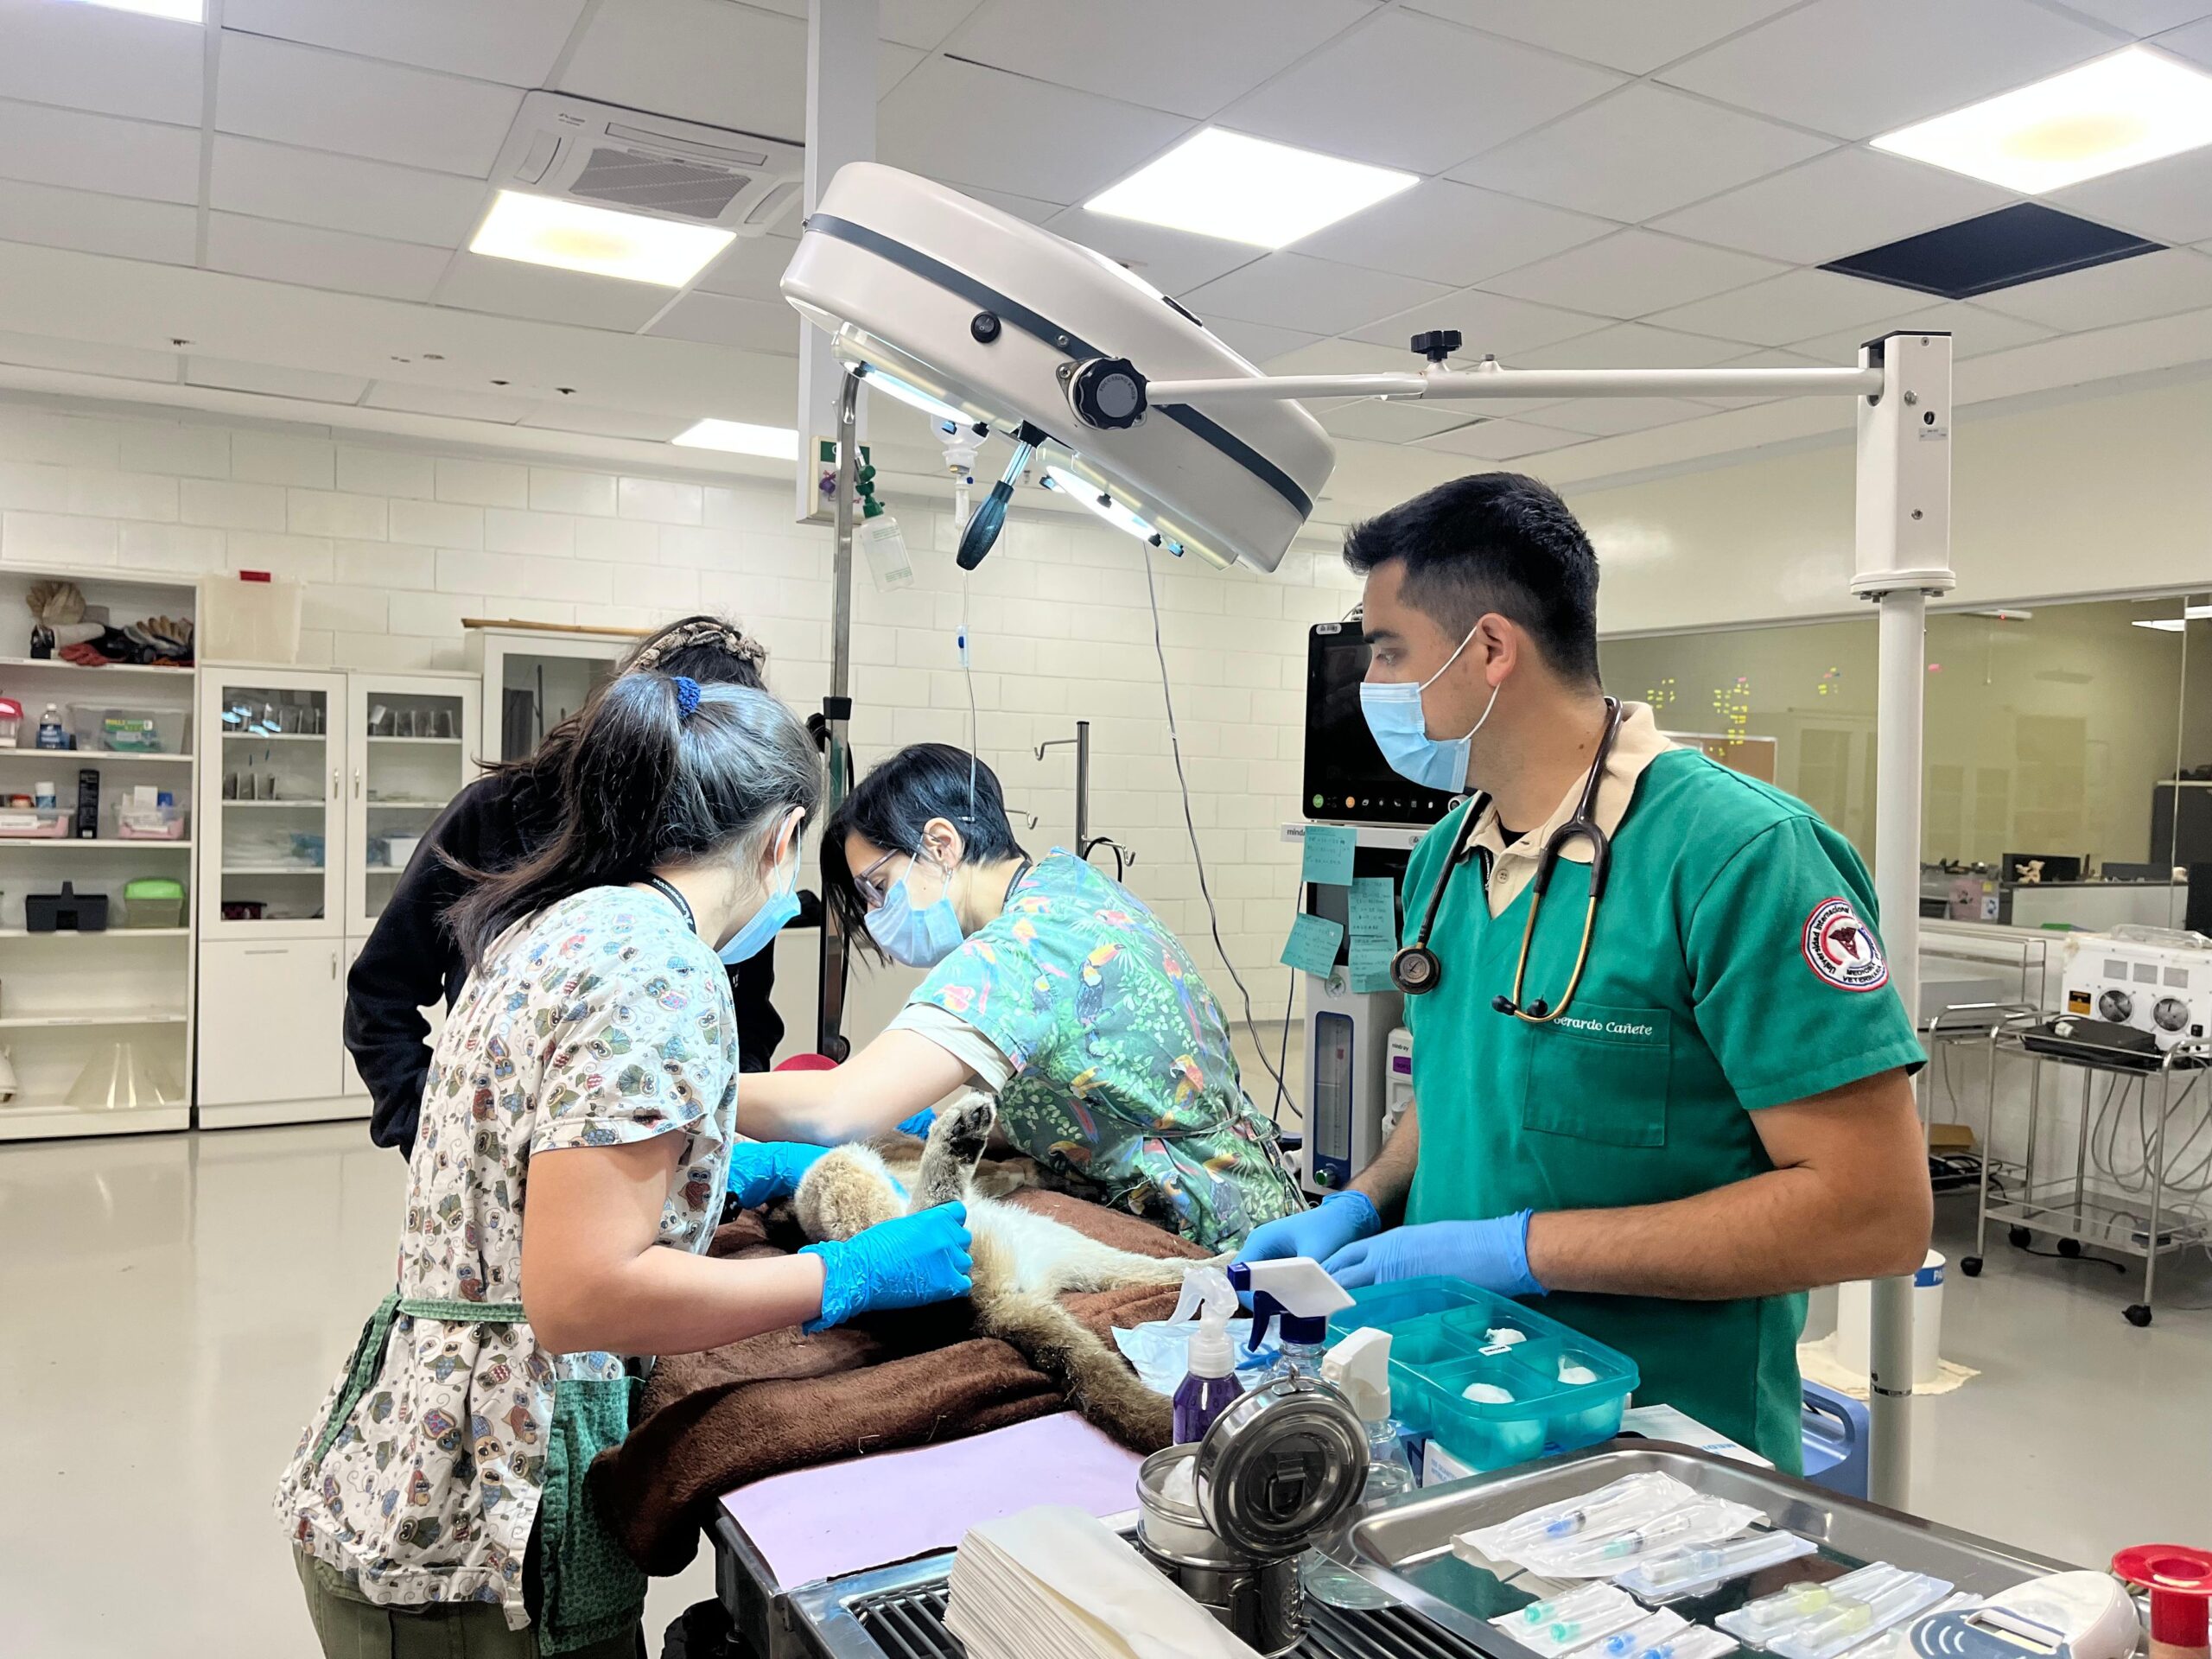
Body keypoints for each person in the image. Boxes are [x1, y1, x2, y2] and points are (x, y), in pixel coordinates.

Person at [1237, 473, 1931, 1471]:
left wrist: (1516, 1251)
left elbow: (1874, 1214)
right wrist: (1364, 1203)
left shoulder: (1738, 856)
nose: (1367, 681)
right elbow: (1457, 1084)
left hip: (1661, 1455)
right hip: (1457, 1416)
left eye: (1386, 650)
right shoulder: (1445, 858)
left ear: (1487, 651)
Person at [276, 673, 974, 1656]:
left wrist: (721, 1157)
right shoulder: (660, 967)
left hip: (414, 1462)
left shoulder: (557, 924)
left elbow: (561, 1152)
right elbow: (584, 1296)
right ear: (780, 837)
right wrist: (846, 1275)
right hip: (488, 1514)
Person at [734, 742, 1301, 1252]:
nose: (877, 917)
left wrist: (693, 1093)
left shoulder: (1021, 950)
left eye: (878, 888)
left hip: (1208, 1240)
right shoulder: (1069, 891)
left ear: (940, 844)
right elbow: (1095, 1091)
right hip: (1258, 1200)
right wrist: (938, 1119)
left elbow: (840, 1106)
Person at [346, 615, 789, 1160]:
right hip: (492, 1155)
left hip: (652, 1158)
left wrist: (723, 1135)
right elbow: (381, 991)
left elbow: (748, 1020)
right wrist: (424, 1123)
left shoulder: (725, 843)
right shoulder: (499, 815)